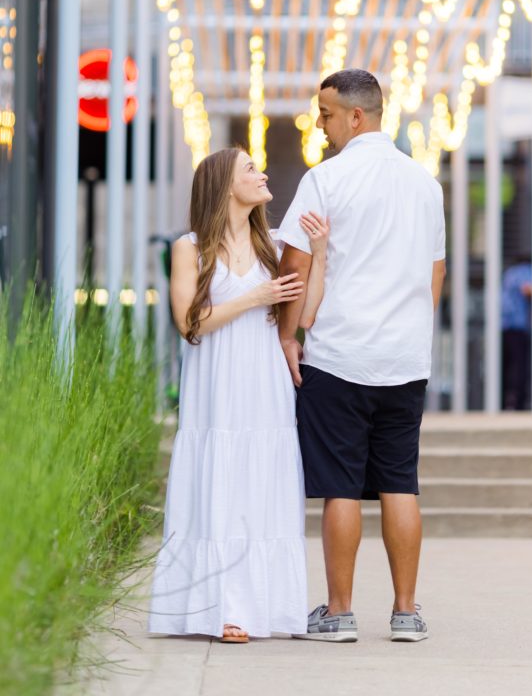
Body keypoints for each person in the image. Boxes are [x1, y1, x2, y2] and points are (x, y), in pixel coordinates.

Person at [276, 69, 446, 643]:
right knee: (401, 481)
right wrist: (412, 331)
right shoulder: (425, 183)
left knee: (341, 487)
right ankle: (406, 612)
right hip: (404, 359)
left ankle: (339, 612)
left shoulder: (324, 180)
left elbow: (294, 269)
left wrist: (288, 336)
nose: (318, 125)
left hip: (339, 355)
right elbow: (436, 273)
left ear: (355, 116)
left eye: (325, 115)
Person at [148, 147, 328, 643]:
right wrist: (254, 297)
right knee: (220, 479)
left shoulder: (273, 243)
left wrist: (322, 252)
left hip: (264, 379)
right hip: (216, 381)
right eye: (250, 168)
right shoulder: (191, 247)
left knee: (261, 483)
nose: (263, 173)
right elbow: (188, 322)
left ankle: (268, 607)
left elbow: (305, 314)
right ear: (225, 184)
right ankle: (221, 608)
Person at [501, 255, 532, 411]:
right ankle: (518, 403)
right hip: (519, 326)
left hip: (503, 325)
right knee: (519, 367)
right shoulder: (526, 271)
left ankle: (504, 401)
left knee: (506, 366)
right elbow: (528, 290)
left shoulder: (509, 273)